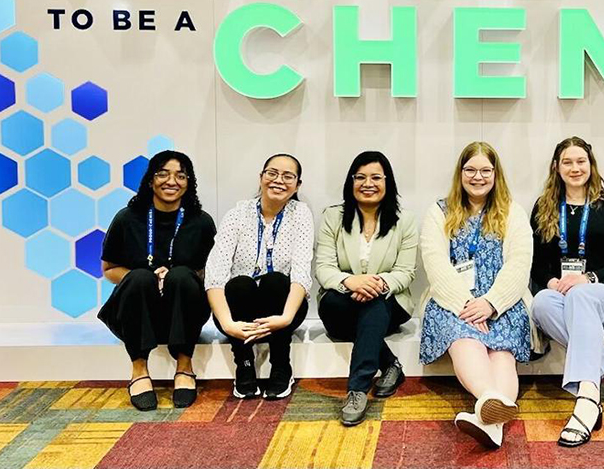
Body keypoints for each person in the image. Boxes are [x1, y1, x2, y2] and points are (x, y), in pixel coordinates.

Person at [529, 136, 604, 447]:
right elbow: (537, 266)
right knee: (542, 303)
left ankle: (587, 398)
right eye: (568, 162)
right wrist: (551, 283)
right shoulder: (544, 207)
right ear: (556, 167)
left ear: (591, 164)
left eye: (580, 161)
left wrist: (590, 278)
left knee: (581, 295)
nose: (575, 168)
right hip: (566, 300)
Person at [419, 141, 534, 449]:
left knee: (502, 352)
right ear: (460, 173)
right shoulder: (438, 211)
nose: (478, 176)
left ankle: (488, 416)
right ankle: (490, 403)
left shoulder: (513, 212)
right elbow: (435, 263)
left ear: (496, 174)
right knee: (465, 338)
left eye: (485, 170)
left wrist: (491, 303)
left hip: (503, 302)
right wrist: (467, 305)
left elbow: (520, 263)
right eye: (470, 170)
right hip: (452, 302)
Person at [98, 150, 216, 411]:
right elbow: (109, 269)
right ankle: (139, 369)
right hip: (138, 311)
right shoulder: (127, 219)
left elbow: (211, 272)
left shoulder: (202, 222)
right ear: (150, 180)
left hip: (183, 311)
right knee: (139, 277)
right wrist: (151, 279)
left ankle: (184, 365)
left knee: (182, 276)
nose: (171, 181)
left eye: (180, 175)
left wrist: (173, 277)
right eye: (163, 174)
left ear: (189, 183)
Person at [315, 151, 418, 426]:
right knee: (339, 304)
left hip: (389, 303)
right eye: (360, 177)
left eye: (375, 177)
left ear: (388, 182)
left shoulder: (405, 220)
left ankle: (357, 390)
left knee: (374, 304)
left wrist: (377, 283)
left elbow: (406, 272)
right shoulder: (333, 217)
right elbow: (324, 268)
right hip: (342, 303)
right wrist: (350, 282)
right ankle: (390, 365)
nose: (367, 183)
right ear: (351, 181)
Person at [205, 153, 314, 401]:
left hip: (284, 307)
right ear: (261, 177)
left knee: (275, 280)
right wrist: (228, 325)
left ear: (297, 185)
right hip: (238, 311)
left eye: (288, 176)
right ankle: (243, 364)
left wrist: (285, 318)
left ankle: (280, 365)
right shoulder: (238, 214)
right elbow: (215, 274)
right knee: (240, 283)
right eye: (272, 173)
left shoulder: (301, 215)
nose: (278, 180)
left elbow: (300, 272)